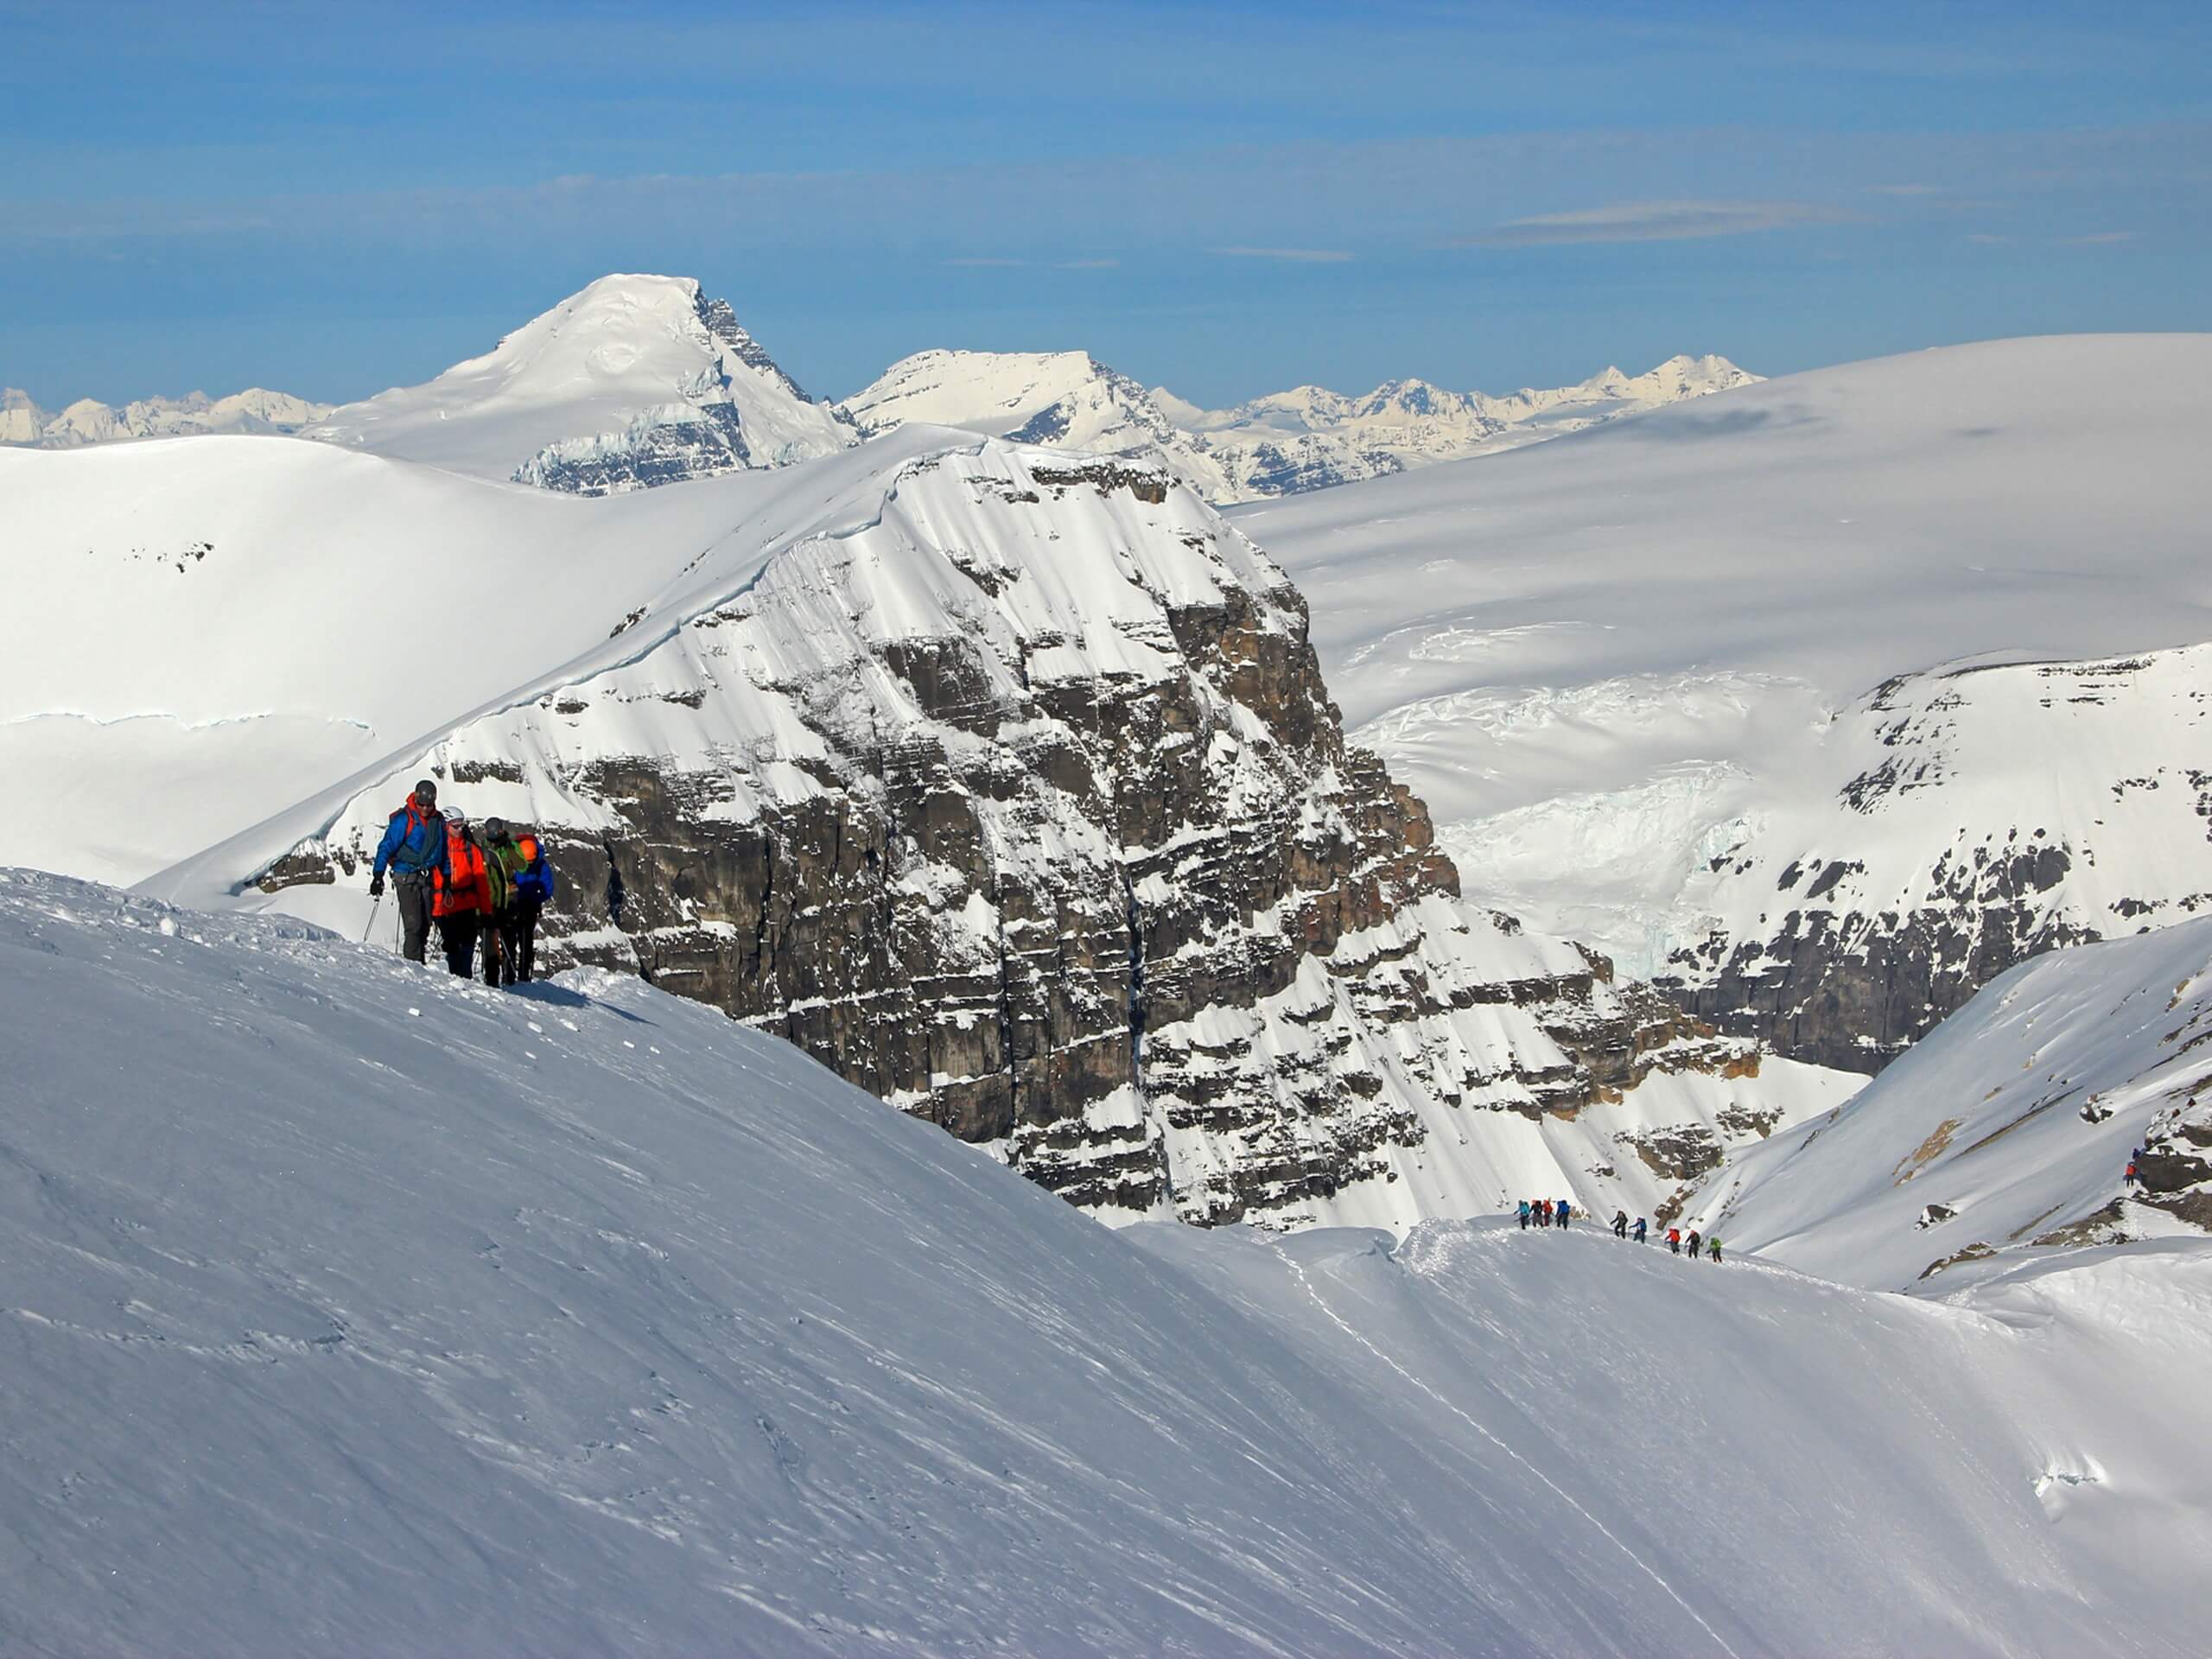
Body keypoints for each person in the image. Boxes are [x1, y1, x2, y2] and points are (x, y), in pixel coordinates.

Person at [368, 779, 447, 963]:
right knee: (414, 926)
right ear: (416, 799)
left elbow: (442, 851)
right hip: (406, 876)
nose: (425, 809)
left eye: (429, 805)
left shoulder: (438, 820)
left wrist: (447, 876)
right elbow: (386, 846)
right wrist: (378, 875)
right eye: (422, 805)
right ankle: (414, 968)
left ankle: (418, 963)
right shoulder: (405, 819)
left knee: (426, 924)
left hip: (427, 877)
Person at [489, 823, 556, 984]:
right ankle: (518, 977)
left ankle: (511, 977)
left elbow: (548, 887)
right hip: (521, 905)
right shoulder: (539, 863)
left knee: (513, 940)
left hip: (517, 904)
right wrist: (537, 899)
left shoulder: (518, 856)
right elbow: (547, 888)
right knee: (521, 940)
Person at [431, 814, 494, 978]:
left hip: (466, 906)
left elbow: (481, 882)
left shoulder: (471, 850)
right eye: (455, 826)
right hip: (446, 908)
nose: (460, 829)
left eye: (461, 825)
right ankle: (459, 980)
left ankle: (463, 979)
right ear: (446, 826)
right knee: (453, 948)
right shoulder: (437, 849)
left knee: (466, 946)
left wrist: (486, 911)